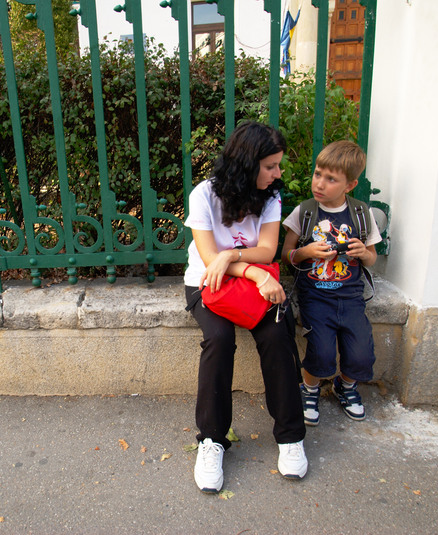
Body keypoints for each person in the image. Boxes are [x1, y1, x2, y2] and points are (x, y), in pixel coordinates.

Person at [184, 121, 307, 493]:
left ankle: (290, 436)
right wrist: (249, 269)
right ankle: (211, 440)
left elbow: (267, 250)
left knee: (278, 334)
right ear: (247, 163)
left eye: (278, 165)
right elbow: (210, 260)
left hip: (252, 284)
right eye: (270, 166)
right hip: (208, 284)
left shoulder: (270, 197)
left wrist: (234, 257)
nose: (277, 173)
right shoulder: (204, 195)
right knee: (219, 339)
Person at [280, 140, 382, 426]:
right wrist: (306, 252)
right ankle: (309, 389)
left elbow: (372, 258)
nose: (320, 183)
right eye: (318, 174)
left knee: (361, 353)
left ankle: (345, 386)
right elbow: (286, 255)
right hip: (315, 297)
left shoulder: (361, 214)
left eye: (331, 179)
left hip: (351, 298)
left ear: (350, 185)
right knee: (321, 351)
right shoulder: (305, 212)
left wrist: (363, 253)